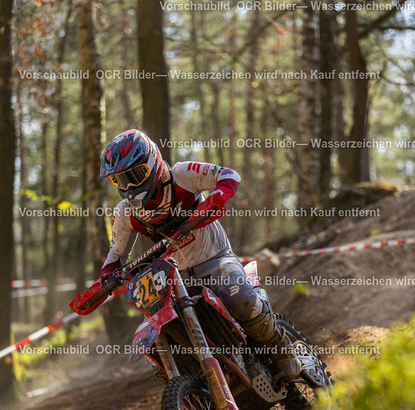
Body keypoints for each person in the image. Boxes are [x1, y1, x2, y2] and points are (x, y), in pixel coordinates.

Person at [97, 129, 301, 382]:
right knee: (165, 338)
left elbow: (229, 175)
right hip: (175, 278)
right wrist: (106, 278)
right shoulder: (124, 213)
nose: (128, 187)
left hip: (216, 259)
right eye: (119, 180)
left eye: (134, 176)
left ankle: (281, 346)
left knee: (240, 299)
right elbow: (117, 254)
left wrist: (218, 196)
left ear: (152, 162)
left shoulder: (181, 175)